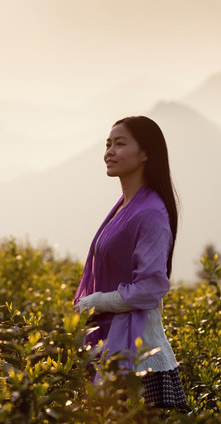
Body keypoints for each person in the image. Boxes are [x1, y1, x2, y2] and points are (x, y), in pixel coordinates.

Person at [74, 115, 188, 410]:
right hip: (114, 346)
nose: (109, 151)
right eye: (108, 144)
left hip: (141, 359)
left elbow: (150, 288)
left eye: (120, 144)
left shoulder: (150, 211)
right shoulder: (126, 204)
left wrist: (97, 301)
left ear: (145, 153)